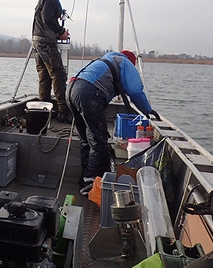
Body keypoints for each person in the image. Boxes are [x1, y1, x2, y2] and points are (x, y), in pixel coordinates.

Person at [66, 50, 160, 195]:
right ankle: (91, 185)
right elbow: (135, 91)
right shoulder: (125, 62)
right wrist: (147, 110)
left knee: (86, 139)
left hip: (72, 90)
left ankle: (84, 178)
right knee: (99, 141)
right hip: (88, 93)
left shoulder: (104, 61)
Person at [32, 0, 71, 122]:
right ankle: (62, 112)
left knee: (44, 75)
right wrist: (61, 31)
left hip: (37, 40)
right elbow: (47, 18)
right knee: (58, 74)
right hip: (46, 42)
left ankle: (45, 109)